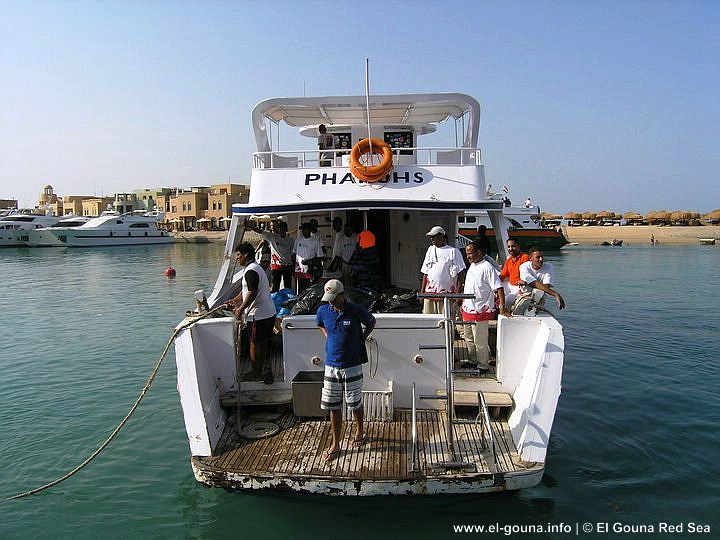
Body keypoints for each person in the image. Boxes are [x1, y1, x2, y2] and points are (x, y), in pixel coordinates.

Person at [316, 279, 376, 461]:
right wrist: (328, 336)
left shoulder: (355, 310)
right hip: (331, 366)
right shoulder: (323, 311)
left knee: (354, 403)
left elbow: (371, 321)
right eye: (329, 299)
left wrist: (361, 339)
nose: (331, 302)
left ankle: (360, 431)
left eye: (334, 298)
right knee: (333, 406)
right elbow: (319, 323)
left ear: (342, 295)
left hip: (352, 365)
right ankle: (336, 443)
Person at [226, 242, 277, 385]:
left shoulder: (250, 271)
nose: (237, 258)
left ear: (246, 255)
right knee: (263, 343)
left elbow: (253, 293)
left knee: (255, 343)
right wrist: (234, 300)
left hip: (258, 315)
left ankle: (256, 372)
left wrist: (240, 309)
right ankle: (264, 369)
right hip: (268, 312)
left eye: (238, 255)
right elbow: (247, 291)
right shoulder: (256, 268)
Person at [459, 241, 509, 372]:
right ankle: (472, 360)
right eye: (467, 254)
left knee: (479, 340)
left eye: (470, 253)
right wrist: (462, 302)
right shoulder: (472, 266)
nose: (468, 256)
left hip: (480, 310)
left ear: (479, 253)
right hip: (468, 309)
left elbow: (498, 287)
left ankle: (483, 366)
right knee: (468, 337)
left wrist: (502, 307)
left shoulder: (487, 267)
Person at [420, 226, 466, 314]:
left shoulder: (454, 251)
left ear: (442, 237)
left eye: (434, 236)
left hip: (447, 294)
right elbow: (425, 272)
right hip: (429, 293)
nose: (432, 239)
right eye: (431, 237)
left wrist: (457, 294)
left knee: (445, 320)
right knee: (429, 320)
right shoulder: (430, 250)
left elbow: (461, 273)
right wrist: (422, 293)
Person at [292, 222, 324, 293]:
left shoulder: (315, 241)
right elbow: (294, 254)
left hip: (310, 271)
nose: (303, 231)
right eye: (302, 229)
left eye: (305, 229)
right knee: (300, 290)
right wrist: (293, 268)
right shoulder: (298, 240)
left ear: (310, 230)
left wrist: (309, 261)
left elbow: (320, 257)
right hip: (299, 270)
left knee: (310, 290)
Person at [499, 239, 530, 307]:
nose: (510, 249)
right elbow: (503, 275)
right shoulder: (509, 259)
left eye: (513, 246)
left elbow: (527, 274)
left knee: (505, 301)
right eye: (509, 247)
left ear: (518, 246)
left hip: (519, 287)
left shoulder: (525, 257)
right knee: (494, 294)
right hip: (510, 285)